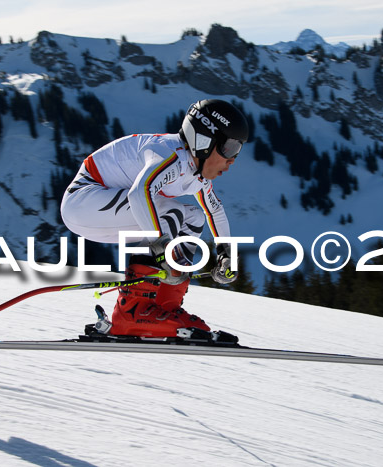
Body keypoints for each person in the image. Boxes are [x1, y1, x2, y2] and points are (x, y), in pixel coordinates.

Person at [60, 99, 249, 339]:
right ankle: (132, 312)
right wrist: (162, 251)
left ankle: (163, 306)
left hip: (104, 211)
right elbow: (139, 193)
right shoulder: (168, 155)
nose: (232, 160)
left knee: (194, 217)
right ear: (205, 141)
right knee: (170, 213)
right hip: (82, 203)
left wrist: (226, 254)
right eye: (230, 148)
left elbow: (215, 211)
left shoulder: (196, 173)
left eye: (238, 151)